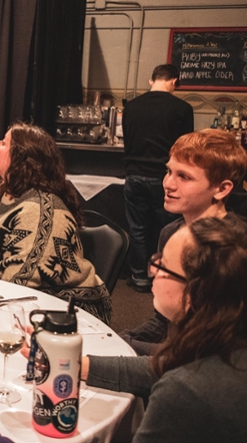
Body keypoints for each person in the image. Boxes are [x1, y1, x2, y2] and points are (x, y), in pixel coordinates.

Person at [82, 216, 247, 443]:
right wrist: (77, 365)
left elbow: (177, 378)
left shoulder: (184, 391)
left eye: (164, 265)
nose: (154, 270)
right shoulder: (227, 342)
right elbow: (165, 364)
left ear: (193, 296)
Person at [0, 122, 112, 324]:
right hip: (4, 298)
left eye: (3, 143)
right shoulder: (6, 195)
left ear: (20, 158)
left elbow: (19, 287)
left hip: (64, 312)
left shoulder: (38, 212)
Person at [119, 129, 247, 355]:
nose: (168, 184)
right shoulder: (171, 233)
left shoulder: (234, 246)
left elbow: (209, 354)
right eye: (168, 171)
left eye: (184, 177)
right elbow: (165, 321)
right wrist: (121, 339)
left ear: (222, 188)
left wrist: (123, 346)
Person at [123, 64, 194, 292]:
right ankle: (165, 276)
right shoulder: (182, 108)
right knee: (168, 228)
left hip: (133, 174)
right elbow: (186, 148)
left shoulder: (131, 106)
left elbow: (127, 141)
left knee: (137, 229)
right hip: (164, 178)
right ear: (174, 82)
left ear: (151, 81)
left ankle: (139, 276)